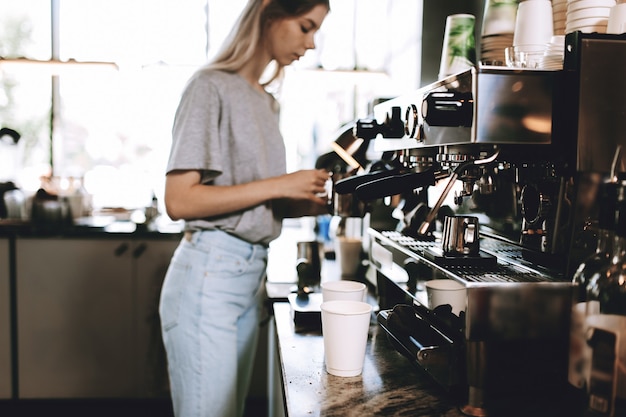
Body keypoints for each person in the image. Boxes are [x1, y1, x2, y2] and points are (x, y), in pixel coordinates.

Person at [158, 1, 331, 417]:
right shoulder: (210, 86)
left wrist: (312, 202)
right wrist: (281, 183)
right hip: (209, 276)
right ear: (270, 14)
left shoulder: (266, 101)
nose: (310, 44)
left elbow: (254, 200)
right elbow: (179, 200)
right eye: (306, 27)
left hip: (250, 277)